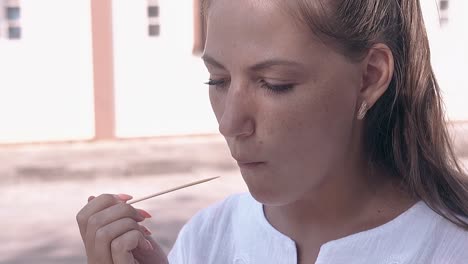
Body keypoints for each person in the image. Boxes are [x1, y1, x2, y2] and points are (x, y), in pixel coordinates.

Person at [76, 0, 468, 263]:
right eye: (218, 80)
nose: (229, 124)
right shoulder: (207, 241)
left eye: (274, 83)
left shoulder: (449, 247)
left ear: (369, 77)